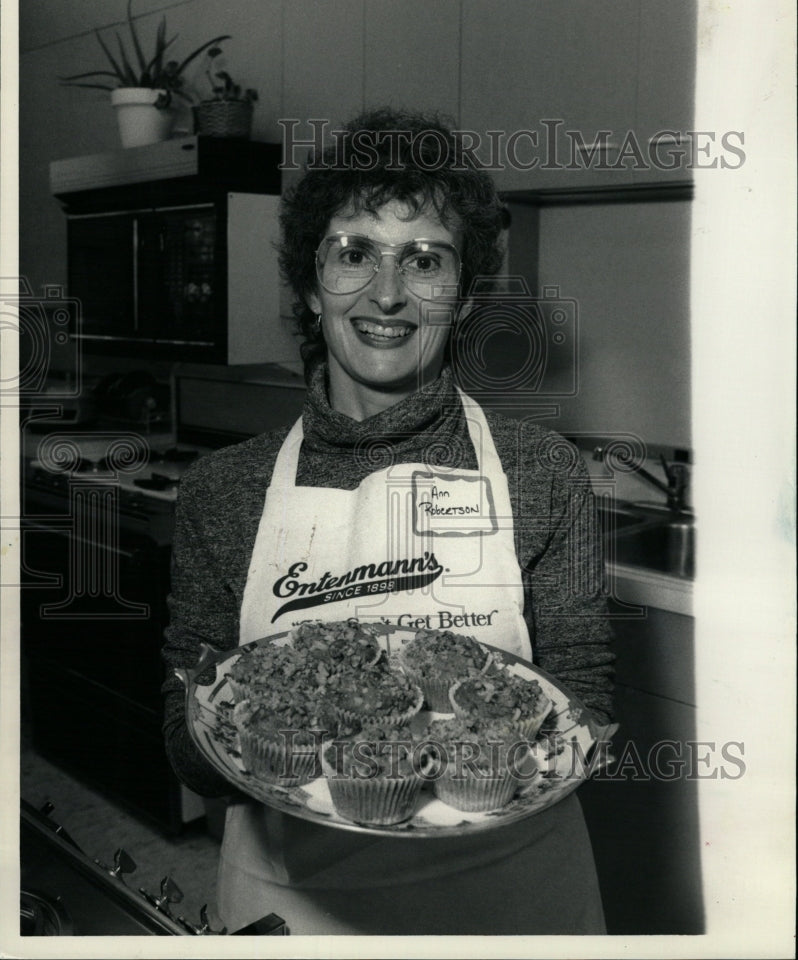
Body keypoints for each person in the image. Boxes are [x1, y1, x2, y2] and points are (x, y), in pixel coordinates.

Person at [161, 108, 615, 935]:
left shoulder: (544, 473)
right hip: (295, 904)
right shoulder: (224, 489)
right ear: (310, 281)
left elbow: (584, 700)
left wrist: (483, 758)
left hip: (510, 900)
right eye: (354, 253)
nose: (388, 293)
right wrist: (240, 727)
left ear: (466, 295)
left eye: (425, 259)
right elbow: (182, 725)